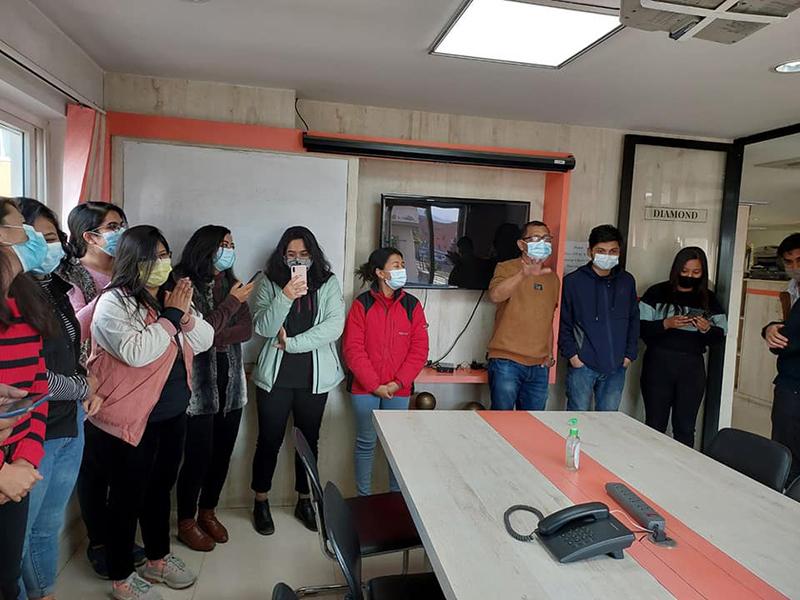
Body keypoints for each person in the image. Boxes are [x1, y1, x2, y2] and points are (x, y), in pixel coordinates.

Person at [86, 225, 213, 600]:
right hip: (127, 419)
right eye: (151, 257)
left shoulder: (172, 297)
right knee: (125, 500)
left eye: (164, 254)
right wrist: (171, 317)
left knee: (159, 491)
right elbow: (136, 352)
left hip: (171, 414)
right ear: (132, 260)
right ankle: (122, 577)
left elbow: (204, 340)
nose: (161, 263)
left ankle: (157, 559)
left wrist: (183, 316)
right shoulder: (114, 302)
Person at [16, 198, 104, 600]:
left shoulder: (56, 287)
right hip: (30, 432)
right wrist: (85, 388)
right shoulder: (11, 299)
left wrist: (84, 385)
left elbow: (71, 350)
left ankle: (45, 592)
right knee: (18, 534)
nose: (45, 246)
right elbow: (32, 378)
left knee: (47, 526)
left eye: (51, 237)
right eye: (34, 237)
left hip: (70, 423)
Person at [60, 201, 138, 578]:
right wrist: (111, 296)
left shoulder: (128, 270)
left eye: (122, 224)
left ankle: (122, 538)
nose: (120, 232)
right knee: (94, 471)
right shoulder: (70, 276)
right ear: (89, 236)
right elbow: (74, 329)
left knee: (126, 471)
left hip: (130, 384)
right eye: (112, 226)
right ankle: (99, 542)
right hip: (89, 386)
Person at [250, 226, 345, 535]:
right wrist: (286, 295)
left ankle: (305, 500)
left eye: (304, 254)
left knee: (308, 441)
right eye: (291, 254)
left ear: (313, 255)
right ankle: (260, 500)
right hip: (275, 378)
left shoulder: (328, 282)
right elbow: (264, 328)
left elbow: (333, 327)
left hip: (313, 378)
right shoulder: (269, 281)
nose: (298, 260)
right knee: (269, 440)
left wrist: (291, 343)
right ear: (282, 256)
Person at [173, 226, 254, 552]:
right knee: (196, 457)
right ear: (204, 246)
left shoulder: (233, 283)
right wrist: (229, 307)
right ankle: (186, 520)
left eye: (232, 244)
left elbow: (245, 329)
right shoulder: (182, 283)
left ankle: (208, 511)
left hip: (232, 384)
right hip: (197, 389)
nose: (229, 250)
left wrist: (212, 334)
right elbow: (194, 333)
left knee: (222, 454)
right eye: (223, 244)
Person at [0, 197, 57, 600]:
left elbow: (36, 390)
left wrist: (24, 460)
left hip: (16, 471)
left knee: (6, 577)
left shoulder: (25, 301)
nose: (33, 237)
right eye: (24, 228)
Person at [343, 248, 429, 496]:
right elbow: (353, 349)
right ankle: (363, 499)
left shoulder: (412, 305)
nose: (402, 269)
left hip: (398, 389)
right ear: (380, 273)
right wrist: (375, 385)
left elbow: (419, 349)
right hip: (364, 389)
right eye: (396, 265)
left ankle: (395, 499)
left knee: (396, 446)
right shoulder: (362, 304)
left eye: (402, 264)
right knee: (366, 442)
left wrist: (397, 383)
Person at [639, 247, 727, 447]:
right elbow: (639, 328)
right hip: (658, 363)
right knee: (654, 424)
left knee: (685, 427)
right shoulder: (656, 292)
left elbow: (720, 335)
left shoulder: (709, 299)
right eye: (685, 271)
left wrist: (706, 329)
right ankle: (650, 463)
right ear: (676, 269)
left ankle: (683, 465)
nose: (689, 276)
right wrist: (665, 324)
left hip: (691, 367)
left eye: (696, 272)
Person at [560, 225, 639, 412]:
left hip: (616, 365)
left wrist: (629, 355)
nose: (607, 256)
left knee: (609, 422)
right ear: (590, 251)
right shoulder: (573, 282)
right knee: (577, 420)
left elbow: (634, 320)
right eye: (601, 251)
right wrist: (573, 356)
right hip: (582, 365)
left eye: (613, 251)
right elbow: (563, 322)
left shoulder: (627, 281)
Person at [486, 221, 560, 411]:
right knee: (502, 422)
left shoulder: (552, 278)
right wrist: (523, 275)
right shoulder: (506, 267)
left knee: (533, 423)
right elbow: (495, 296)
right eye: (536, 238)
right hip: (507, 362)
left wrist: (549, 354)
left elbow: (548, 319)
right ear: (521, 244)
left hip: (539, 366)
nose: (542, 243)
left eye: (546, 239)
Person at [763, 233, 800, 483]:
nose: (795, 267)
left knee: (788, 456)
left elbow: (788, 341)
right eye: (789, 262)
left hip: (794, 386)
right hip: (789, 381)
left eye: (799, 260)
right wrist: (770, 329)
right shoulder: (790, 290)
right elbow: (786, 328)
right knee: (785, 451)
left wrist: (774, 335)